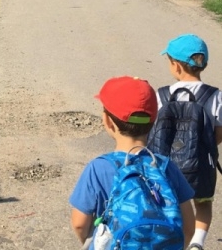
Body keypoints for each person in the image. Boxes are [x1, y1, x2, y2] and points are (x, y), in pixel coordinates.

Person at [69, 76, 195, 249]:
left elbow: (79, 224)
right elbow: (188, 227)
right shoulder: (166, 166)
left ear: (107, 121)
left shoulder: (98, 168)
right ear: (153, 121)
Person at [160, 34, 222, 250]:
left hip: (168, 166)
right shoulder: (215, 96)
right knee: (203, 204)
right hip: (201, 165)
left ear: (176, 66)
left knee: (172, 204)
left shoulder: (163, 96)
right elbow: (218, 133)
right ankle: (197, 242)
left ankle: (174, 240)